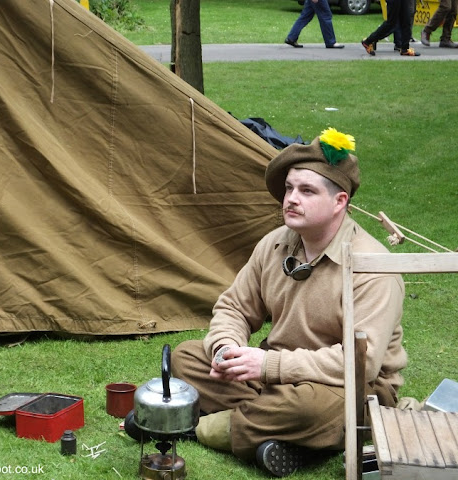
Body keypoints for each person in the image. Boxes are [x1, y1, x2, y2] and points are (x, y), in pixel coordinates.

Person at [170, 128, 407, 477]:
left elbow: (363, 363)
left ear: (339, 201)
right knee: (188, 357)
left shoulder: (373, 266)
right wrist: (226, 349)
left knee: (309, 410)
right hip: (277, 381)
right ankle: (288, 438)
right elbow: (235, 306)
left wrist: (268, 365)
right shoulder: (275, 244)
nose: (291, 199)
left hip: (352, 388)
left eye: (307, 191)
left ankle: (203, 427)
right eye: (289, 188)